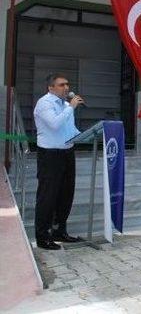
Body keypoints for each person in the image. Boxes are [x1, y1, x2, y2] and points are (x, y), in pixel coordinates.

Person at [33, 73, 83, 250]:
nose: (67, 88)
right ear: (50, 88)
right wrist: (71, 107)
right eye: (62, 85)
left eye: (67, 84)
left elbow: (70, 128)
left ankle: (59, 231)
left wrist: (87, 136)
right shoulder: (44, 104)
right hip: (50, 155)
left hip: (67, 152)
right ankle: (42, 237)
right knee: (48, 196)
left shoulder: (64, 104)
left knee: (65, 194)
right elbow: (54, 124)